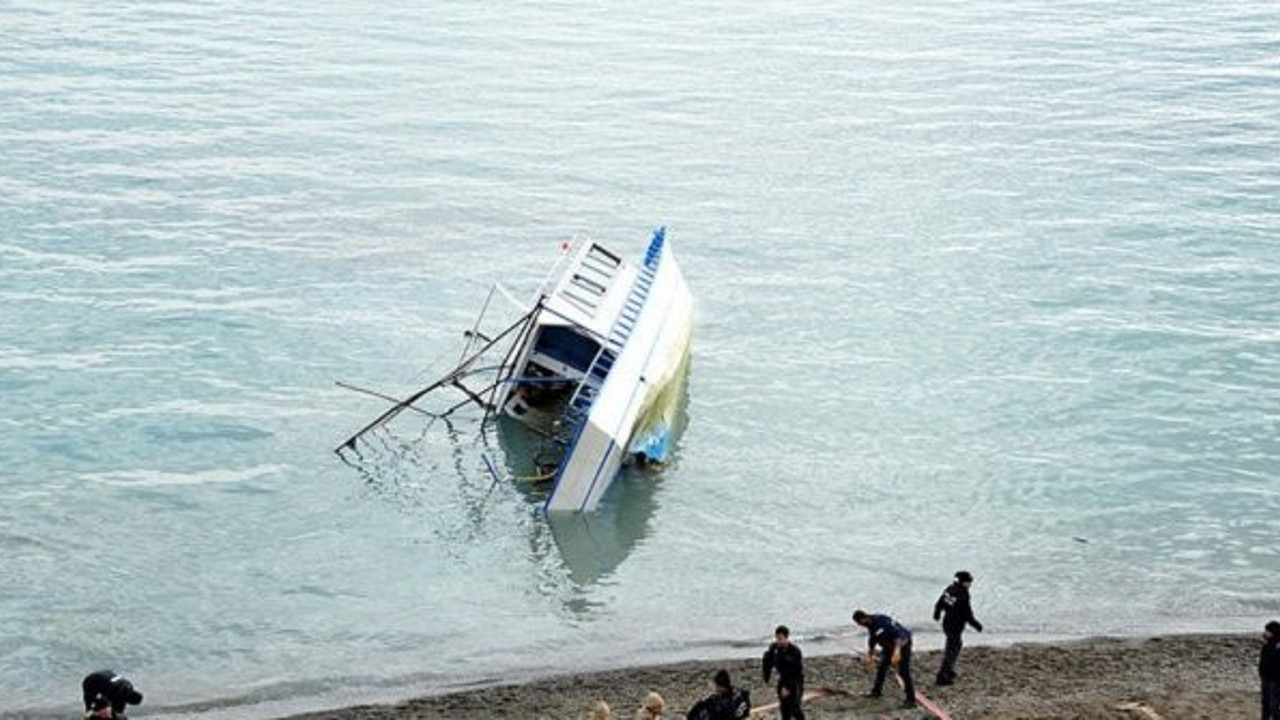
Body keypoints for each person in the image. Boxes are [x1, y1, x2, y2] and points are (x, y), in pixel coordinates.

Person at [852, 609, 916, 709]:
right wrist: (870, 654)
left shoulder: (881, 622)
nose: (860, 625)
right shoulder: (871, 624)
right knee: (882, 667)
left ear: (864, 618)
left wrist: (897, 652)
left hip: (903, 644)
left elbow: (898, 636)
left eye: (860, 623)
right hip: (889, 645)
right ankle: (876, 692)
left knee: (904, 672)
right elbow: (873, 638)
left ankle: (911, 700)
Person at [933, 570, 984, 685]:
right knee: (953, 650)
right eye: (969, 582)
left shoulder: (950, 589)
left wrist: (937, 614)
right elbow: (967, 613)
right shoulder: (963, 594)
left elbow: (940, 602)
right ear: (964, 582)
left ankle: (949, 670)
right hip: (955, 625)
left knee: (953, 646)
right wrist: (976, 625)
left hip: (947, 623)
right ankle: (942, 676)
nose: (970, 584)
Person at [762, 625, 805, 720]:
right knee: (784, 709)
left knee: (794, 708)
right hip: (782, 679)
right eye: (777, 638)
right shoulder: (774, 648)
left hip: (795, 681)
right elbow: (767, 660)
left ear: (786, 638)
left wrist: (788, 688)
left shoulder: (795, 651)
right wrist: (766, 676)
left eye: (781, 639)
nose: (779, 641)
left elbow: (796, 671)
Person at [1262, 621, 1280, 720]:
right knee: (1265, 704)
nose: (1264, 633)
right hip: (1265, 677)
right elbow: (1263, 660)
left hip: (1276, 680)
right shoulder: (1267, 645)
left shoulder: (1278, 646)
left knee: (1273, 706)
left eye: (1267, 631)